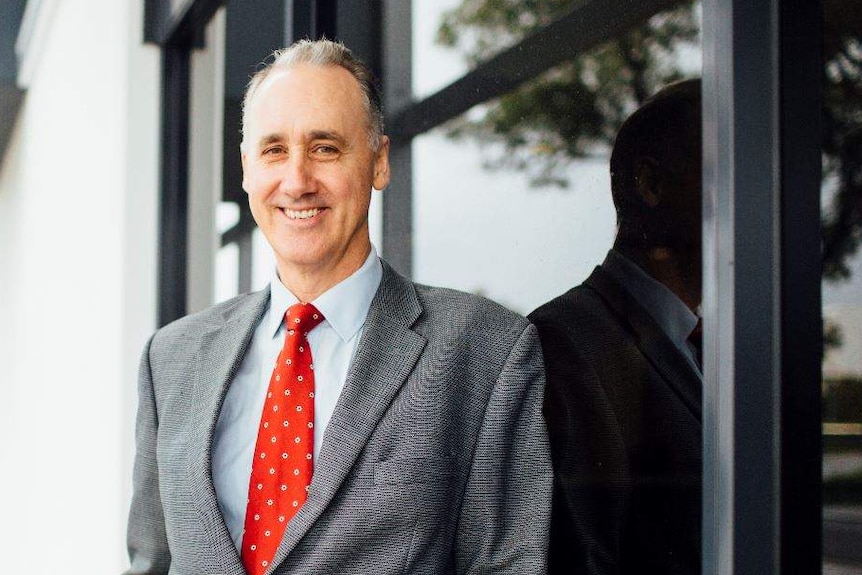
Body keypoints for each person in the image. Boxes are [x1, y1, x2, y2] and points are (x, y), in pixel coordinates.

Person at [124, 39, 552, 575]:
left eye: (325, 147)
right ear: (246, 170)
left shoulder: (485, 350)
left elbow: (510, 564)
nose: (297, 181)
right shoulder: (172, 358)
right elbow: (152, 562)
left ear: (378, 162)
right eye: (274, 150)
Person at [529, 79, 703, 575]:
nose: (757, 193)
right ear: (651, 184)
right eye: (732, 167)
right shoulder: (561, 346)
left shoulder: (712, 347)